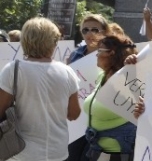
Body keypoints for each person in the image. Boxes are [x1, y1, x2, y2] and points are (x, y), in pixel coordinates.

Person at [0, 17, 81, 160]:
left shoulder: (13, 69)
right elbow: (74, 114)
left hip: (20, 152)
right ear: (54, 42)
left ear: (24, 40)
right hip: (57, 152)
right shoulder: (67, 72)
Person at [83, 35, 139, 160]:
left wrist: (131, 71)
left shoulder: (128, 80)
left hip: (118, 154)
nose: (96, 55)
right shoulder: (102, 76)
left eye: (99, 51)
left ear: (111, 53)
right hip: (96, 150)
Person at [67, 14, 111, 161]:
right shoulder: (74, 55)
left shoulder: (113, 54)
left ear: (105, 32)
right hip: (76, 120)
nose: (90, 34)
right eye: (85, 30)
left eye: (95, 29)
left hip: (100, 121)